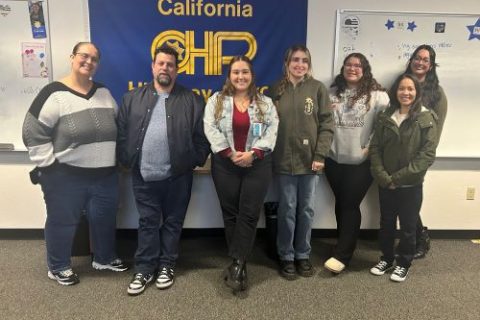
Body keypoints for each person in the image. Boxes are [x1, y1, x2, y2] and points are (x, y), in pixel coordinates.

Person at [22, 42, 128, 286]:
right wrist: (48, 167)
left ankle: (103, 258)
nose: (88, 61)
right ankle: (58, 266)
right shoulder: (53, 93)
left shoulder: (104, 93)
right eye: (84, 55)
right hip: (66, 176)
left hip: (105, 175)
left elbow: (118, 127)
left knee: (104, 218)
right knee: (62, 220)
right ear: (72, 58)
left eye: (94, 58)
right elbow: (32, 131)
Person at [117, 45, 210, 296]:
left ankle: (167, 266)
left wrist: (194, 160)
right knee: (147, 222)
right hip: (143, 174)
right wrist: (128, 159)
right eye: (161, 63)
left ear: (176, 70)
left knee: (173, 223)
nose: (165, 68)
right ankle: (144, 268)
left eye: (170, 64)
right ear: (153, 67)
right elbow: (122, 132)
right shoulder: (132, 98)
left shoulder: (191, 100)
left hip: (178, 175)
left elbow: (203, 138)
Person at [203, 56, 279, 292]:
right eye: (236, 72)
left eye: (245, 72)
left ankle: (237, 264)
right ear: (229, 76)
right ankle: (240, 264)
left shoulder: (265, 102)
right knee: (231, 213)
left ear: (252, 75)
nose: (240, 77)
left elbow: (272, 129)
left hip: (257, 164)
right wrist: (229, 153)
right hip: (225, 164)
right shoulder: (216, 100)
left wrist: (253, 153)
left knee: (249, 213)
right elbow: (210, 127)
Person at [269, 45, 334, 280]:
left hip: (310, 162)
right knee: (287, 210)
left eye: (304, 61)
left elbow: (327, 124)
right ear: (287, 63)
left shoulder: (317, 89)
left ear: (309, 64)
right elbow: (266, 124)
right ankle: (286, 255)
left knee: (306, 210)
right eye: (295, 60)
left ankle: (303, 254)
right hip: (283, 161)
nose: (300, 65)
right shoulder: (275, 89)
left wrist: (320, 155)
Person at [323, 53, 389, 274]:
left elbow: (383, 128)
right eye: (349, 64)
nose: (353, 68)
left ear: (365, 69)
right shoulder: (331, 93)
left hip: (361, 161)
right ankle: (344, 243)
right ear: (343, 68)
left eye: (358, 65)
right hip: (333, 159)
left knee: (350, 204)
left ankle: (342, 255)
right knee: (342, 203)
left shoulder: (378, 96)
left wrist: (369, 148)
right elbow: (322, 122)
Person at [369, 74, 437, 282]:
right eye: (401, 89)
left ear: (417, 92)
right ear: (395, 91)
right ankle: (387, 258)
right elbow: (375, 148)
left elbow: (426, 155)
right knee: (386, 223)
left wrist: (397, 178)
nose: (405, 93)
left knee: (408, 227)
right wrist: (383, 176)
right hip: (385, 183)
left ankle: (404, 263)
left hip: (410, 184)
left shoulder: (426, 117)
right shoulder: (385, 115)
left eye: (410, 89)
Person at [404, 44, 448, 259]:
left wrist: (425, 157)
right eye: (417, 58)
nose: (420, 62)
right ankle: (413, 236)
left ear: (430, 66)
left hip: (420, 155)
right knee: (399, 197)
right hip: (397, 153)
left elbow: (436, 131)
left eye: (425, 59)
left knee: (410, 197)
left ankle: (419, 238)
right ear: (411, 60)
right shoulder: (401, 86)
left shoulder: (437, 93)